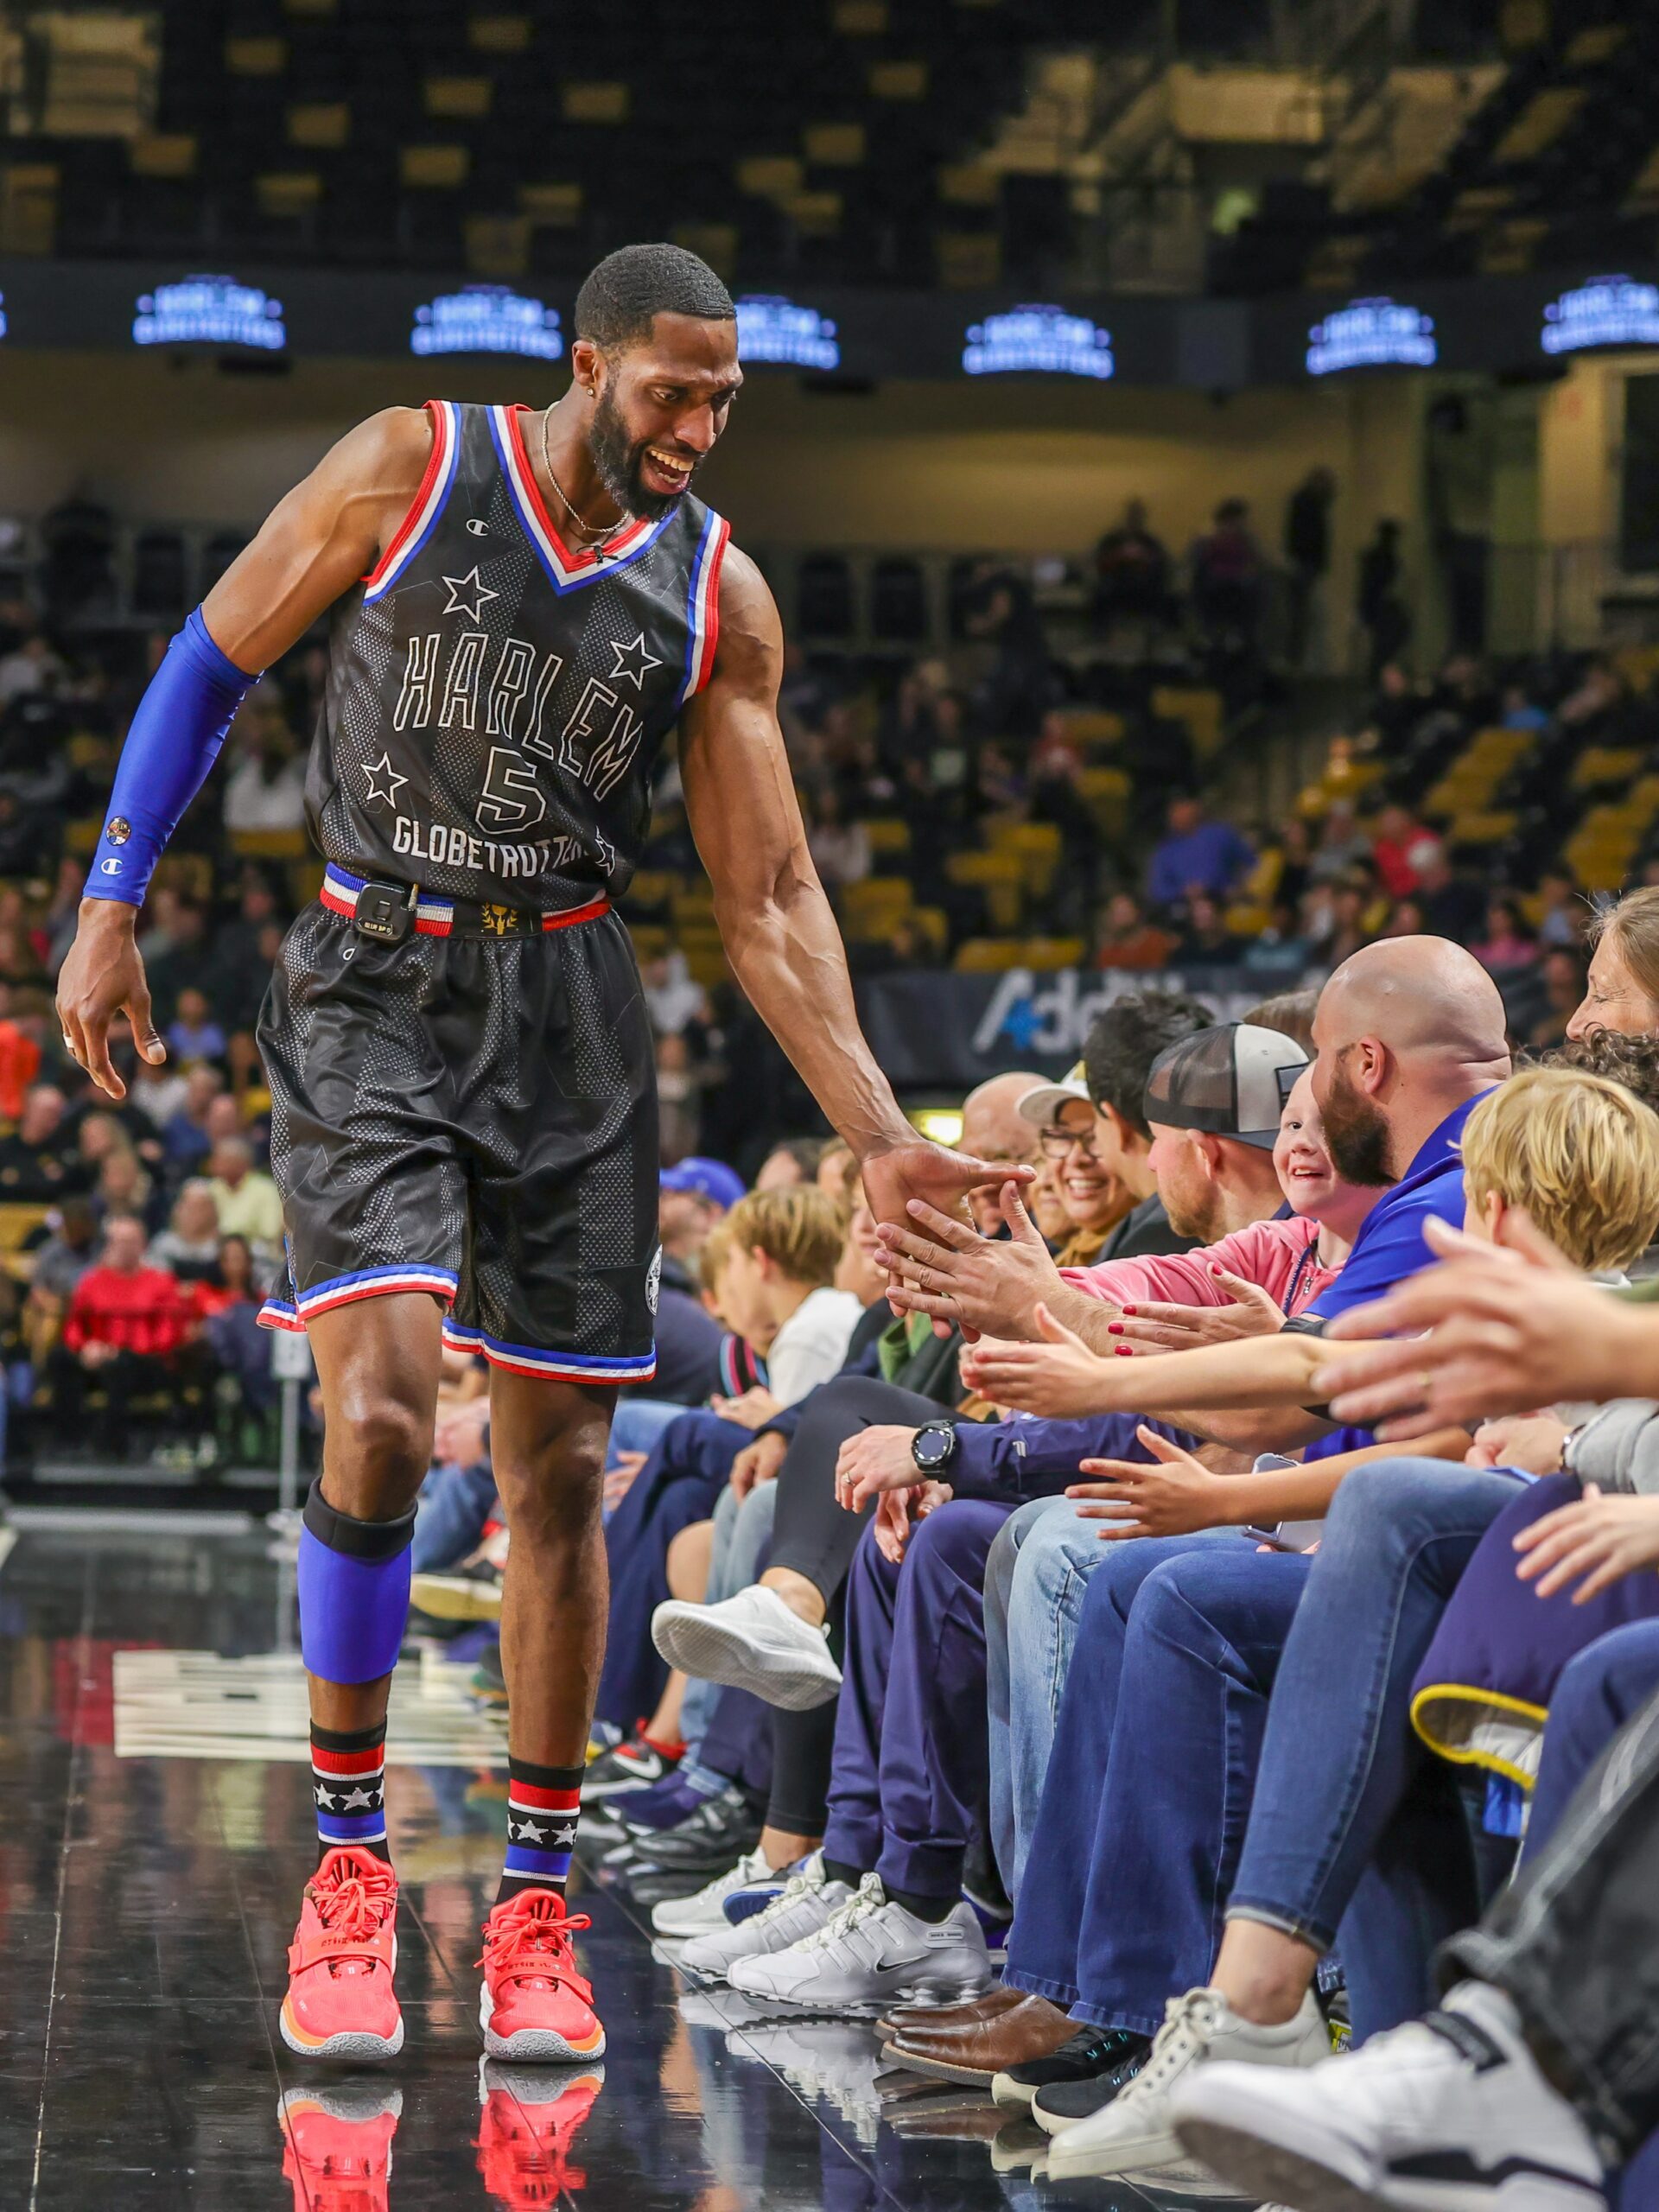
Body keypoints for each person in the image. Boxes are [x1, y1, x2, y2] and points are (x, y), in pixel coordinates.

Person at [54, 243, 1017, 2071]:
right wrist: (109, 901)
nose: (701, 424)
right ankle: (347, 1872)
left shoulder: (717, 593)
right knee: (383, 1411)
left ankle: (534, 1901)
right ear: (589, 366)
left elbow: (773, 892)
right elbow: (209, 657)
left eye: (726, 396)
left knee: (561, 1469)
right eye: (674, 390)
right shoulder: (411, 464)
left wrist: (881, 1127)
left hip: (571, 1004)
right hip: (366, 972)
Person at [43, 1213, 194, 1456]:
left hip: (145, 1364)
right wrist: (85, 1349)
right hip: (99, 1359)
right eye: (118, 1242)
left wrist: (119, 1350)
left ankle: (113, 1443)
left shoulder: (161, 1282)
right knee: (60, 1358)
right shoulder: (92, 1282)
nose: (124, 1248)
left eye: (130, 1241)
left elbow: (169, 1335)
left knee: (121, 1365)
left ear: (143, 1245)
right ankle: (68, 1440)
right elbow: (75, 1326)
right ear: (109, 1245)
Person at [1146, 796, 1254, 917]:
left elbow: (1253, 864)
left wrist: (1239, 888)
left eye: (1182, 808)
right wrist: (1183, 891)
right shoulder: (1166, 850)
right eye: (1174, 811)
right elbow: (1158, 889)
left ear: (1195, 808)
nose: (1177, 815)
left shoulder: (1221, 835)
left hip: (1224, 903)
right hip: (1184, 910)